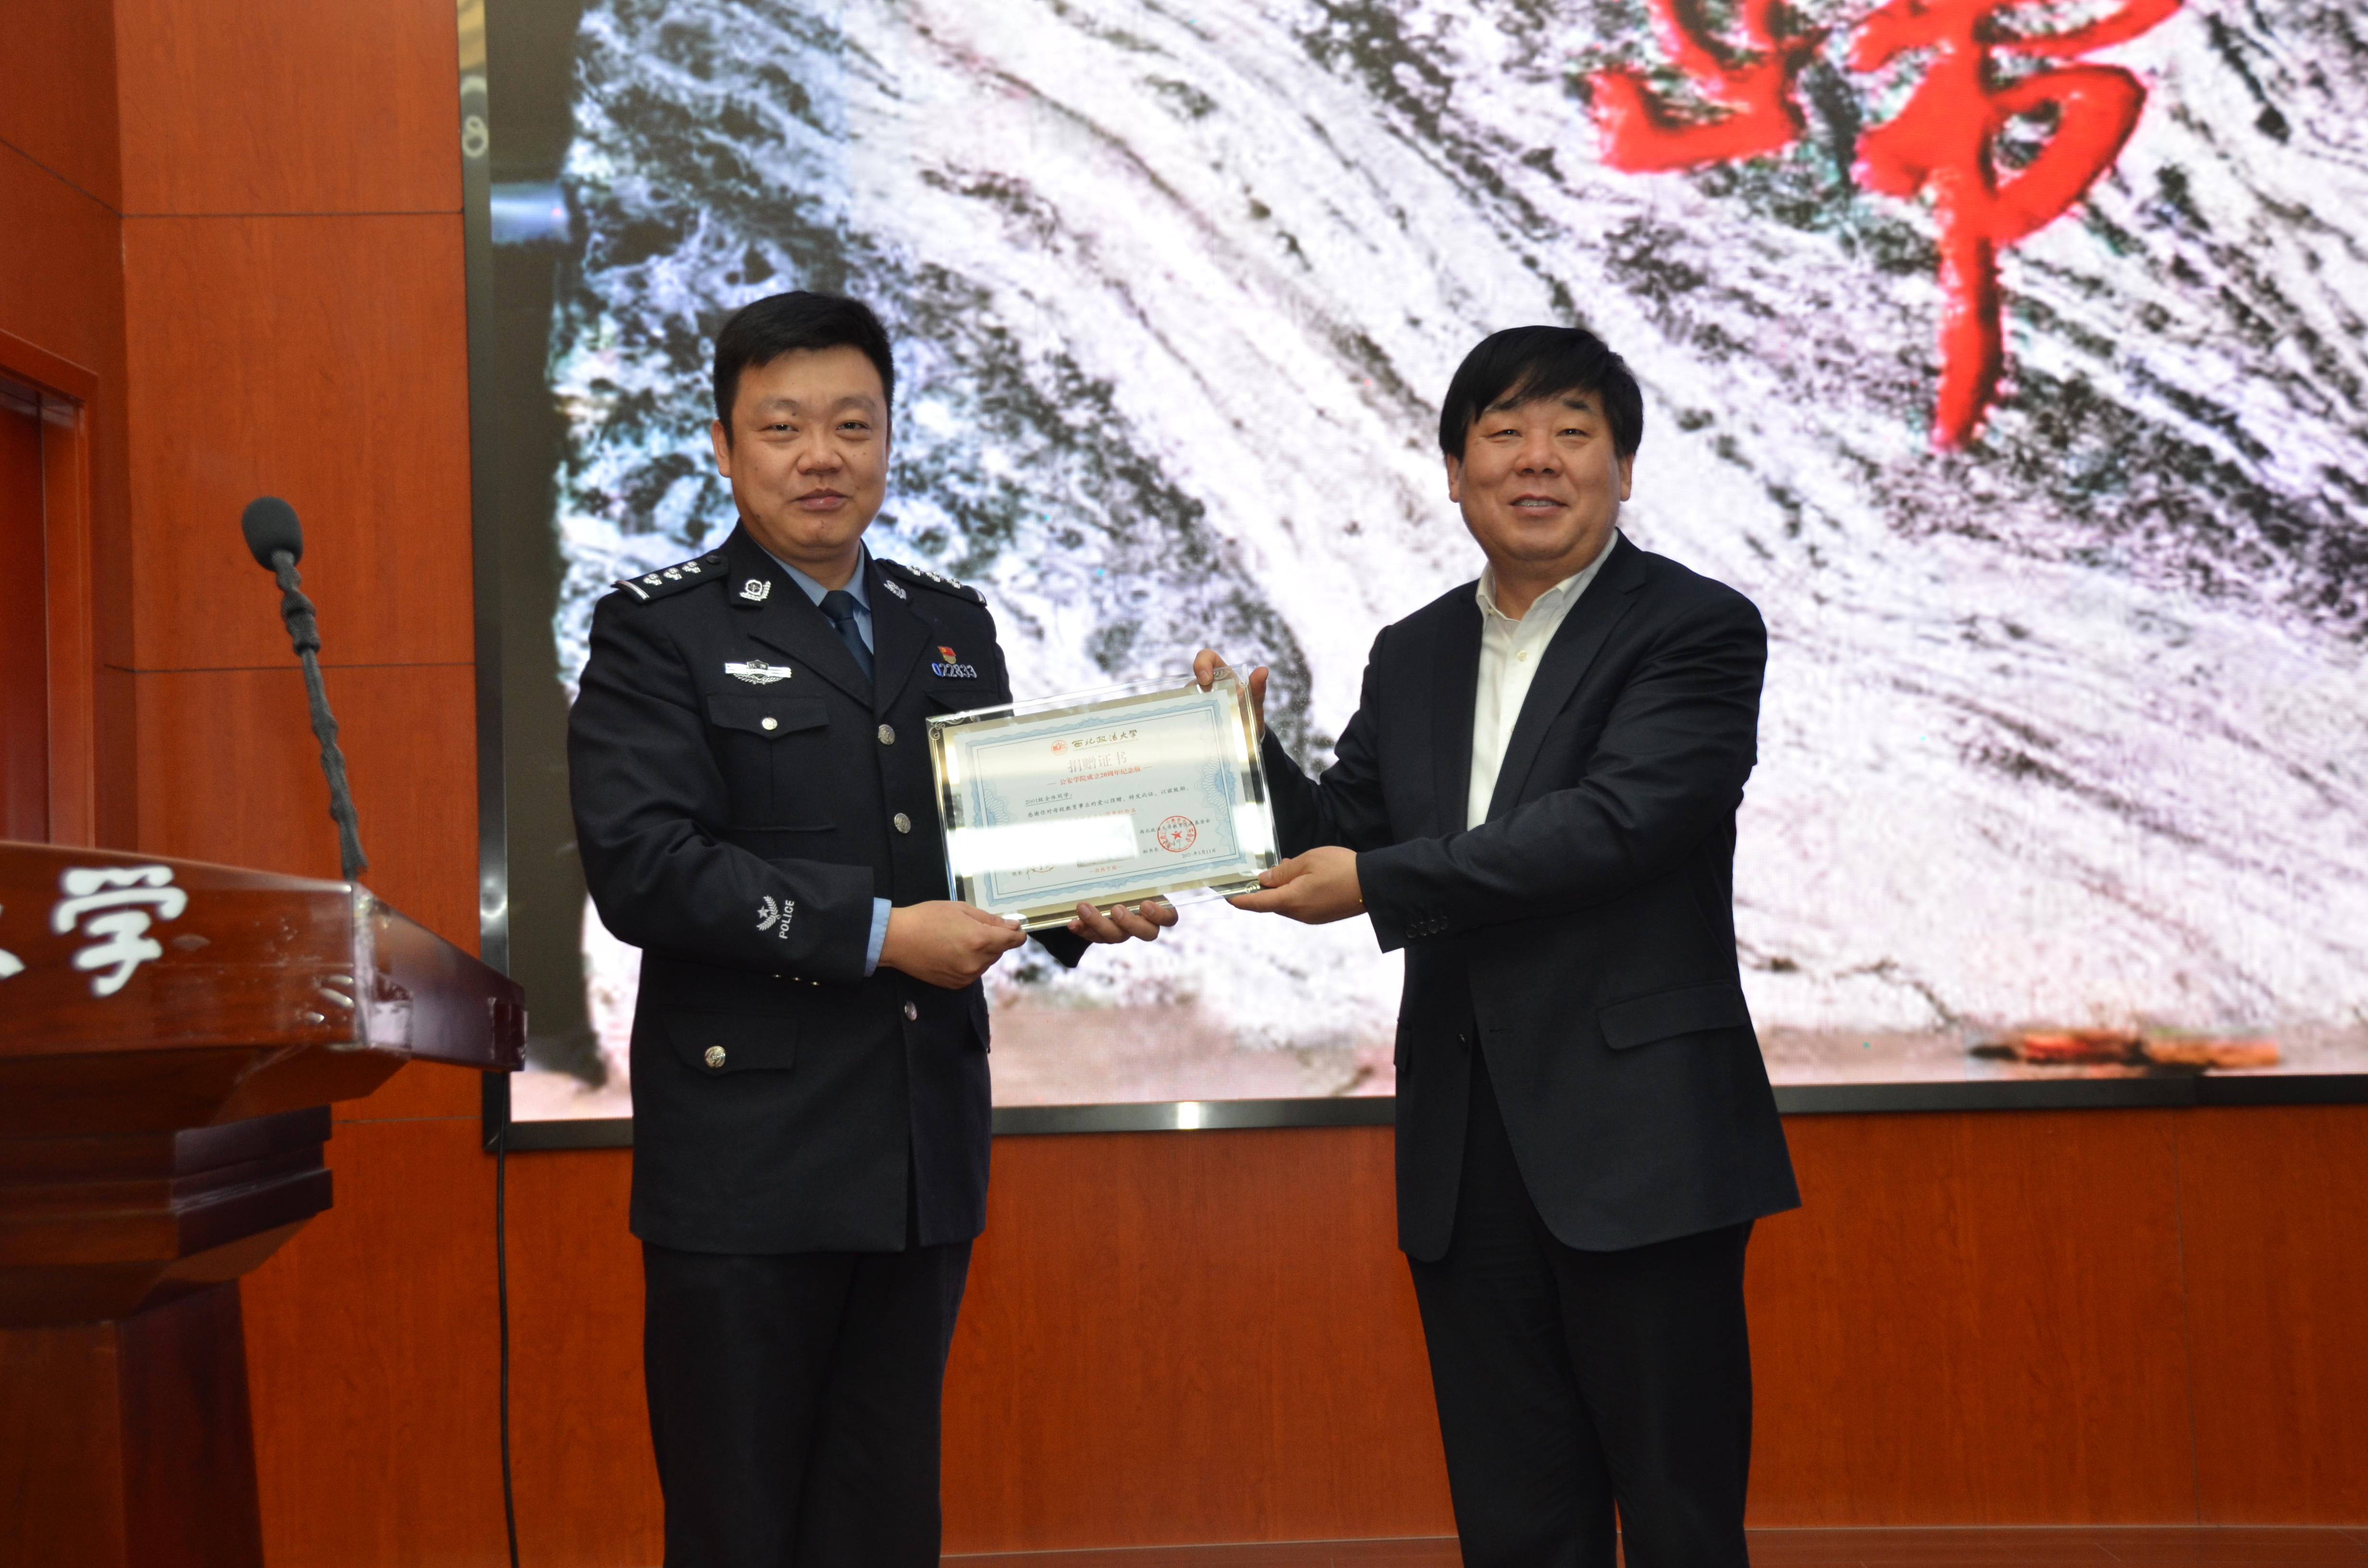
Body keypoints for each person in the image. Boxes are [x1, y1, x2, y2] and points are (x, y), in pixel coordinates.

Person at [568, 290, 1174, 1568]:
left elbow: (995, 844)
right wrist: (883, 935)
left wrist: (1085, 907)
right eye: (782, 426)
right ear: (724, 447)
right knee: (741, 1529)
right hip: (747, 1164)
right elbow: (647, 869)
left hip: (915, 1149)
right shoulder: (658, 630)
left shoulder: (945, 625)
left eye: (853, 424)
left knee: (885, 1523)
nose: (821, 456)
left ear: (891, 439)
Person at [1203, 325, 1799, 1567]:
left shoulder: (1695, 628)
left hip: (1643, 1141)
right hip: (1467, 1149)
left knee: (1680, 1515)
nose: (1538, 459)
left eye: (1573, 432)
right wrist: (1239, 759)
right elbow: (1346, 831)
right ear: (1455, 470)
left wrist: (1377, 883)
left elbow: (1615, 826)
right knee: (1516, 1519)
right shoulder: (1415, 649)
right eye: (1505, 432)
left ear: (1623, 470)